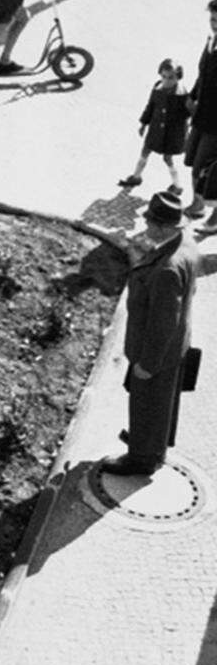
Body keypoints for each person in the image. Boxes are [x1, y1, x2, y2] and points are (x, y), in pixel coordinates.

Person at [99, 189, 204, 478]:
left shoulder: (166, 270)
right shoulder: (186, 244)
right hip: (176, 345)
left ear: (163, 227)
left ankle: (141, 460)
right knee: (161, 403)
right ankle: (152, 446)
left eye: (150, 224)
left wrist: (148, 364)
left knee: (146, 403)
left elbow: (162, 324)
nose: (146, 228)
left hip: (156, 351)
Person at [120, 61, 188, 193]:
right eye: (164, 76)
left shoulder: (182, 95)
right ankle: (136, 176)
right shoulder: (158, 87)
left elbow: (186, 117)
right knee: (145, 150)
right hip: (156, 129)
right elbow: (151, 106)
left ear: (178, 77)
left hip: (171, 134)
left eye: (171, 78)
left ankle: (177, 185)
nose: (166, 81)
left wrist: (184, 136)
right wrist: (144, 123)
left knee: (167, 158)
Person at [184, 0, 217, 225]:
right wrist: (192, 97)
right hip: (201, 115)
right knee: (193, 161)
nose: (213, 24)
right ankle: (197, 204)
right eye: (212, 19)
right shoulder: (211, 41)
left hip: (216, 123)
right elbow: (202, 75)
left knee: (210, 169)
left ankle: (215, 217)